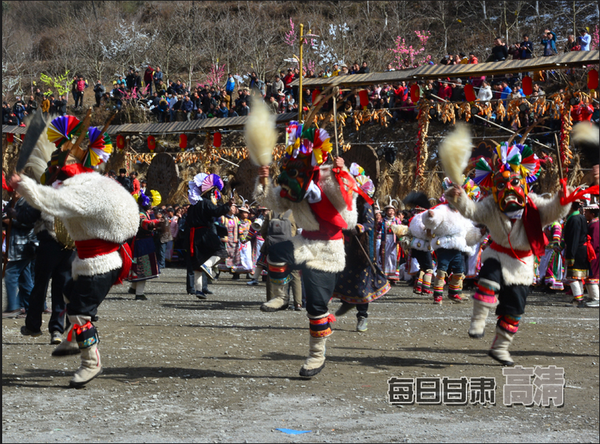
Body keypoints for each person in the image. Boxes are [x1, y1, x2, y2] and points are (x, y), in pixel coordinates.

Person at [10, 113, 139, 387]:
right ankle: (70, 335)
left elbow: (51, 201)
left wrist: (23, 185)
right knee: (69, 295)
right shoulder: (95, 182)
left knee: (80, 313)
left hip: (99, 262)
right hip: (89, 259)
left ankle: (91, 361)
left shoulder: (84, 190)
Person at [249, 110, 358, 378]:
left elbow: (348, 212)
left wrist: (340, 174)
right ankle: (279, 296)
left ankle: (316, 355)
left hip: (328, 251)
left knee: (316, 307)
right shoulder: (294, 182)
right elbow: (271, 201)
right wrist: (263, 180)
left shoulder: (330, 178)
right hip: (304, 241)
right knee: (275, 250)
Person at [445, 135, 570, 366]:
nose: (509, 189)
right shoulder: (492, 205)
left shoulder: (534, 204)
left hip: (522, 266)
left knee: (514, 310)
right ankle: (478, 320)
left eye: (514, 182)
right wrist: (459, 199)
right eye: (501, 184)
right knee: (489, 280)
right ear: (494, 186)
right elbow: (472, 211)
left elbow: (554, 211)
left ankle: (500, 348)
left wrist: (562, 199)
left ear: (524, 182)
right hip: (497, 255)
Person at [333, 164, 391, 332]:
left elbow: (369, 224)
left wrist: (356, 228)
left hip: (362, 249)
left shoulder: (364, 204)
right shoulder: (345, 204)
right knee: (343, 279)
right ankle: (346, 303)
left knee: (361, 283)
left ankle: (362, 316)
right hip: (346, 248)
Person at [422, 178, 484, 304]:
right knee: (442, 269)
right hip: (444, 245)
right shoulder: (442, 209)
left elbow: (469, 229)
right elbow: (435, 217)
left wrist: (479, 233)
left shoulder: (463, 213)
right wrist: (431, 216)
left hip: (459, 247)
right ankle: (438, 295)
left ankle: (454, 293)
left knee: (459, 271)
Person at [186, 173, 233, 299]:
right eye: (212, 192)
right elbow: (216, 212)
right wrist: (228, 205)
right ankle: (208, 265)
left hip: (193, 236)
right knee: (221, 252)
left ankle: (199, 290)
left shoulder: (192, 206)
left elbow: (187, 222)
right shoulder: (205, 203)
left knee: (197, 264)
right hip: (205, 233)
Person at [2, 193, 37, 319]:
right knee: (25, 279)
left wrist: (13, 220)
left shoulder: (28, 203)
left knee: (10, 274)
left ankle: (13, 307)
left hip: (24, 245)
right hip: (14, 245)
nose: (16, 192)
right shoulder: (11, 203)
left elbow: (30, 223)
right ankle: (30, 308)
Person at [128, 190, 161, 300]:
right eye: (150, 203)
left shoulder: (145, 213)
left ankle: (133, 288)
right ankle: (139, 293)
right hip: (142, 244)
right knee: (143, 268)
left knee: (139, 266)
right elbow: (144, 224)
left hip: (144, 242)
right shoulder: (141, 214)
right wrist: (155, 223)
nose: (151, 205)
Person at [564, 201, 590, 307]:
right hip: (580, 249)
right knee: (577, 276)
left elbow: (574, 238)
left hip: (576, 249)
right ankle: (579, 297)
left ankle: (578, 299)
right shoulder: (581, 217)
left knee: (572, 277)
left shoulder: (574, 219)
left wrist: (571, 255)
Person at [583, 204, 599, 307]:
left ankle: (596, 298)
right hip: (592, 253)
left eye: (587, 212)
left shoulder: (596, 225)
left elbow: (595, 242)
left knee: (593, 275)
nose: (585, 214)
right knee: (589, 274)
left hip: (594, 254)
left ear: (592, 214)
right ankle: (591, 296)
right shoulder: (593, 224)